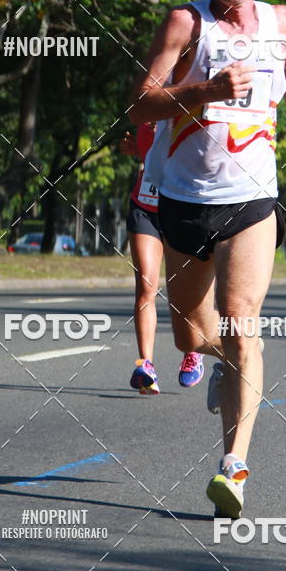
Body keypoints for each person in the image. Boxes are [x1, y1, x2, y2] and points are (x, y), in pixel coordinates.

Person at [129, 0, 286, 518]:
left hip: (252, 200)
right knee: (192, 333)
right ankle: (222, 369)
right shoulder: (187, 23)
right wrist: (204, 91)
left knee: (241, 322)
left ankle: (233, 467)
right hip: (184, 200)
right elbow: (138, 105)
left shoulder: (284, 21)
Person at [121, 123, 204, 395]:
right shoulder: (146, 110)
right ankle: (145, 365)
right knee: (146, 286)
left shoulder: (191, 106)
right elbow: (151, 154)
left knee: (185, 292)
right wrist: (136, 150)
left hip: (181, 210)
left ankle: (194, 351)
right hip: (145, 207)